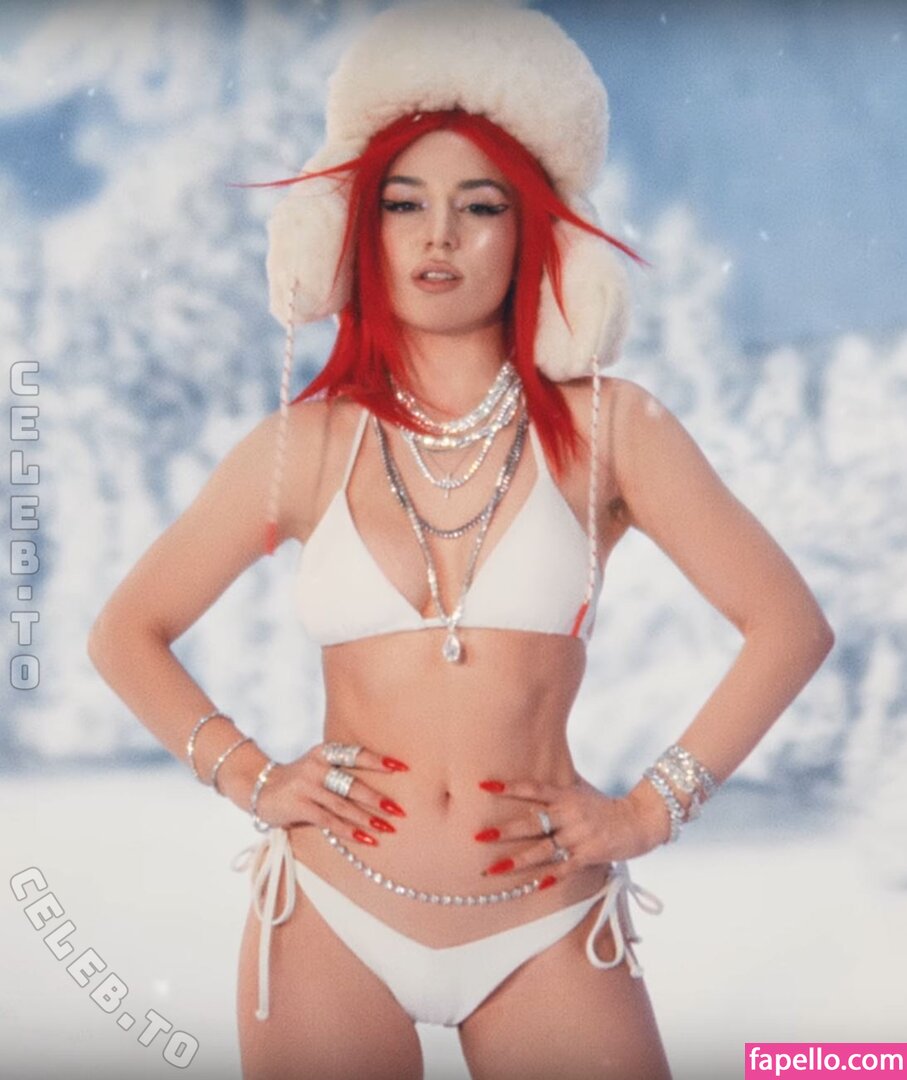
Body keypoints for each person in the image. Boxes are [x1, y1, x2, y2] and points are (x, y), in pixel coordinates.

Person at [87, 5, 835, 1078]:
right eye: (404, 204)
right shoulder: (307, 445)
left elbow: (788, 627)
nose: (438, 235)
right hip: (330, 913)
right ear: (360, 231)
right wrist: (248, 775)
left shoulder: (615, 429)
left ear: (533, 233)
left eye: (480, 206)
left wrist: (648, 811)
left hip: (546, 918)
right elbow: (125, 632)